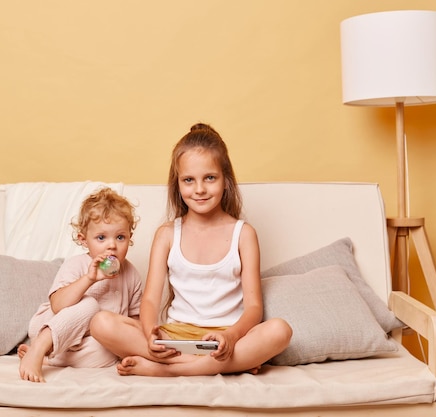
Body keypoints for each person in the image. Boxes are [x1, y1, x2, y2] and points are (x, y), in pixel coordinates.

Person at [90, 123, 292, 377]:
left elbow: (254, 308)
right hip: (176, 336)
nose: (199, 189)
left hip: (226, 337)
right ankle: (211, 366)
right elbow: (151, 300)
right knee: (101, 322)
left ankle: (170, 370)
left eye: (210, 178)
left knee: (280, 330)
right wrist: (151, 331)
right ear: (178, 185)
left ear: (226, 180)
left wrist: (230, 336)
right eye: (188, 180)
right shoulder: (166, 234)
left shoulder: (244, 234)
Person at [18, 187, 142, 382]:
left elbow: (135, 322)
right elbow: (57, 305)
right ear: (83, 240)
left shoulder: (131, 274)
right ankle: (41, 346)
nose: (112, 245)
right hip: (49, 325)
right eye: (101, 238)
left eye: (120, 237)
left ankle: (50, 359)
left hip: (82, 343)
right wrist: (89, 279)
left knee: (109, 355)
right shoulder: (76, 265)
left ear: (129, 237)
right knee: (91, 305)